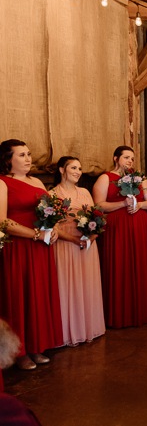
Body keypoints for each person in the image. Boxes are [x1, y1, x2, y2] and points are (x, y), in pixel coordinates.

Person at [0, 139, 63, 370]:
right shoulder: (3, 183)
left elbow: (51, 212)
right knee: (20, 295)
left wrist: (53, 228)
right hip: (19, 247)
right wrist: (35, 234)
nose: (28, 159)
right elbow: (3, 221)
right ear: (8, 160)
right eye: (22, 155)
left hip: (41, 247)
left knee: (37, 293)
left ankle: (37, 345)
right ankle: (20, 352)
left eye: (29, 154)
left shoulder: (37, 181)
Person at [93, 145, 147, 329]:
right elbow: (98, 205)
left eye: (132, 158)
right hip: (117, 229)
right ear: (115, 158)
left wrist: (140, 205)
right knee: (119, 265)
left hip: (139, 228)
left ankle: (141, 311)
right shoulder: (106, 178)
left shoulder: (140, 178)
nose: (130, 161)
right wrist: (122, 203)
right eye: (126, 157)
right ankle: (118, 313)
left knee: (139, 265)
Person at [50, 156, 106, 346]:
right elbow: (52, 227)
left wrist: (92, 236)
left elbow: (96, 218)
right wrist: (73, 239)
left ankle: (89, 326)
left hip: (87, 246)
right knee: (68, 287)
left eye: (80, 168)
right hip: (66, 246)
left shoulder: (85, 192)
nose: (78, 171)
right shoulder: (52, 194)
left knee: (87, 285)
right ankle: (69, 332)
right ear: (61, 170)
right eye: (73, 167)